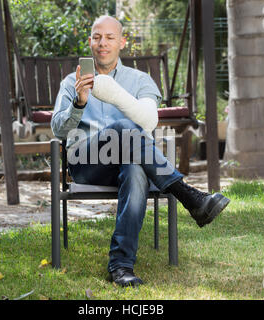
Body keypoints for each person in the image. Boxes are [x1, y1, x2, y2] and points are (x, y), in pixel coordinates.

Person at [51, 15, 230, 287]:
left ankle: (121, 266)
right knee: (124, 126)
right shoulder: (71, 82)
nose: (103, 43)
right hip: (87, 162)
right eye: (97, 37)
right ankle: (188, 195)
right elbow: (59, 132)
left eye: (110, 37)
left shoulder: (140, 80)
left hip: (128, 161)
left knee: (135, 169)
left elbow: (148, 120)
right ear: (90, 41)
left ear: (122, 42)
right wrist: (78, 103)